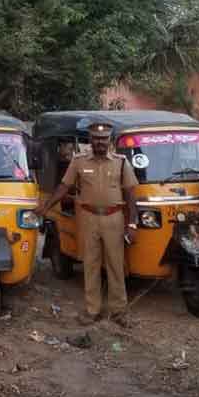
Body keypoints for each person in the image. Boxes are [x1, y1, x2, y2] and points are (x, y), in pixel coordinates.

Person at [35, 122, 138, 327]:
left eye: (104, 139)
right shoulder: (79, 162)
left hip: (114, 218)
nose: (100, 142)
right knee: (90, 265)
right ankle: (93, 310)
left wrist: (132, 224)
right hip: (89, 218)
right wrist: (46, 207)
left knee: (116, 265)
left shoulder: (121, 162)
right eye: (96, 139)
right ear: (90, 140)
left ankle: (119, 311)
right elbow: (65, 186)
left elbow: (130, 195)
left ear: (109, 141)